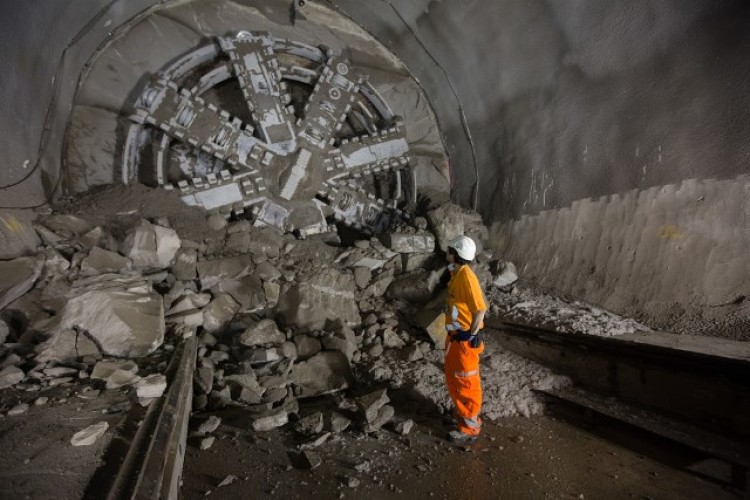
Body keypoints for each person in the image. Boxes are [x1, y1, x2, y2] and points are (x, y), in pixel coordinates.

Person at [443, 235, 487, 444]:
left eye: (450, 249)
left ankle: (470, 428)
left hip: (463, 341)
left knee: (466, 382)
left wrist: (472, 334)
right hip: (454, 339)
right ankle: (461, 415)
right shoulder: (458, 273)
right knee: (454, 378)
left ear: (456, 254)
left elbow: (480, 309)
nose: (447, 252)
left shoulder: (467, 276)